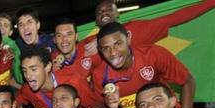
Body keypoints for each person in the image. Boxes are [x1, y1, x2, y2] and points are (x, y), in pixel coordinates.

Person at [80, 0, 215, 72]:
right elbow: (66, 55)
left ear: (117, 14)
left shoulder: (137, 28)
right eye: (99, 12)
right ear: (96, 20)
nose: (104, 13)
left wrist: (211, 2)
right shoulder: (88, 43)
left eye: (109, 9)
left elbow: (174, 18)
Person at [92, 22, 195, 108]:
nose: (113, 53)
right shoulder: (99, 75)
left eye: (118, 44)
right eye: (106, 49)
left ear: (128, 38)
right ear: (100, 50)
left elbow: (188, 80)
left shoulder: (153, 55)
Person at [17, 45, 99, 108]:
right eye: (24, 71)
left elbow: (96, 105)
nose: (28, 76)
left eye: (33, 69)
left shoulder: (73, 80)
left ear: (48, 67)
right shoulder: (27, 89)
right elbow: (19, 99)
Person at [52, 18, 92, 83]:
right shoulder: (49, 63)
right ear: (54, 40)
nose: (64, 39)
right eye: (59, 35)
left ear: (76, 36)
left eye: (69, 34)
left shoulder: (89, 52)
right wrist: (50, 75)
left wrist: (98, 42)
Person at [0, 12, 24, 85]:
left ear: (10, 32)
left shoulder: (14, 48)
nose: (2, 27)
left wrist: (15, 58)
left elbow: (19, 78)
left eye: (6, 25)